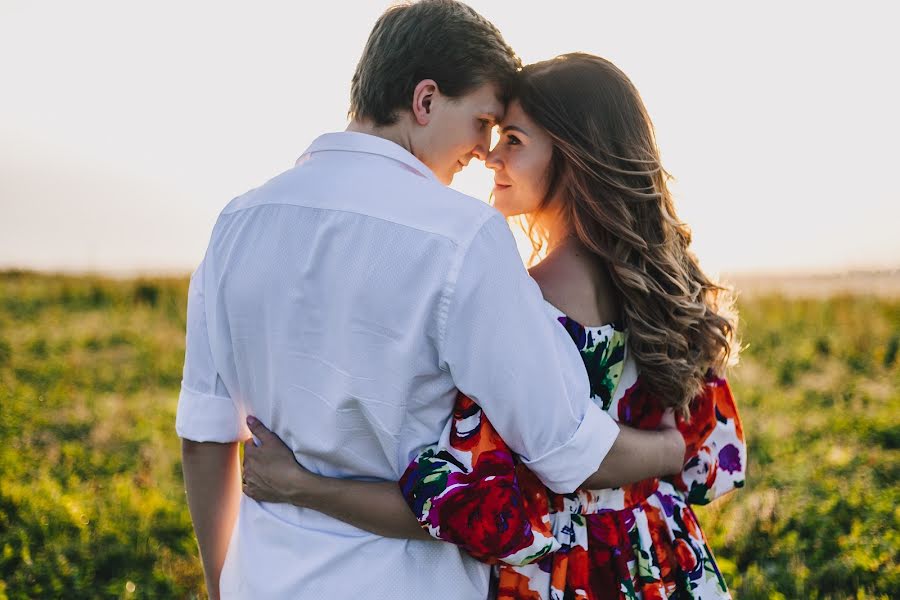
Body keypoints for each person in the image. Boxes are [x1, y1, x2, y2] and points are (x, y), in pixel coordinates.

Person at [176, 3, 685, 599]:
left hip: (261, 580)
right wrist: (671, 447)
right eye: (482, 121)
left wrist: (221, 584)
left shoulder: (238, 221)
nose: (483, 148)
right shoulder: (463, 236)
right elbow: (565, 449)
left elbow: (206, 436)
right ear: (425, 101)